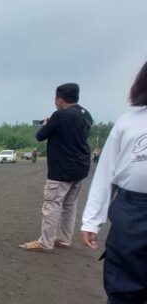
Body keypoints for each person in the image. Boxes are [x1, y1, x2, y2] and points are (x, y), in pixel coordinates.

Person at [79, 61, 147, 304]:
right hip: (134, 205)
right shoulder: (129, 122)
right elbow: (105, 173)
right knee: (124, 274)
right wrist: (92, 220)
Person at [20, 83, 92, 253]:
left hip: (61, 169)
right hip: (80, 167)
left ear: (60, 99)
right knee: (69, 205)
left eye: (55, 99)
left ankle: (46, 242)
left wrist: (45, 123)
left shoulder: (60, 116)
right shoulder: (85, 115)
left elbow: (40, 136)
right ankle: (64, 239)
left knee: (52, 204)